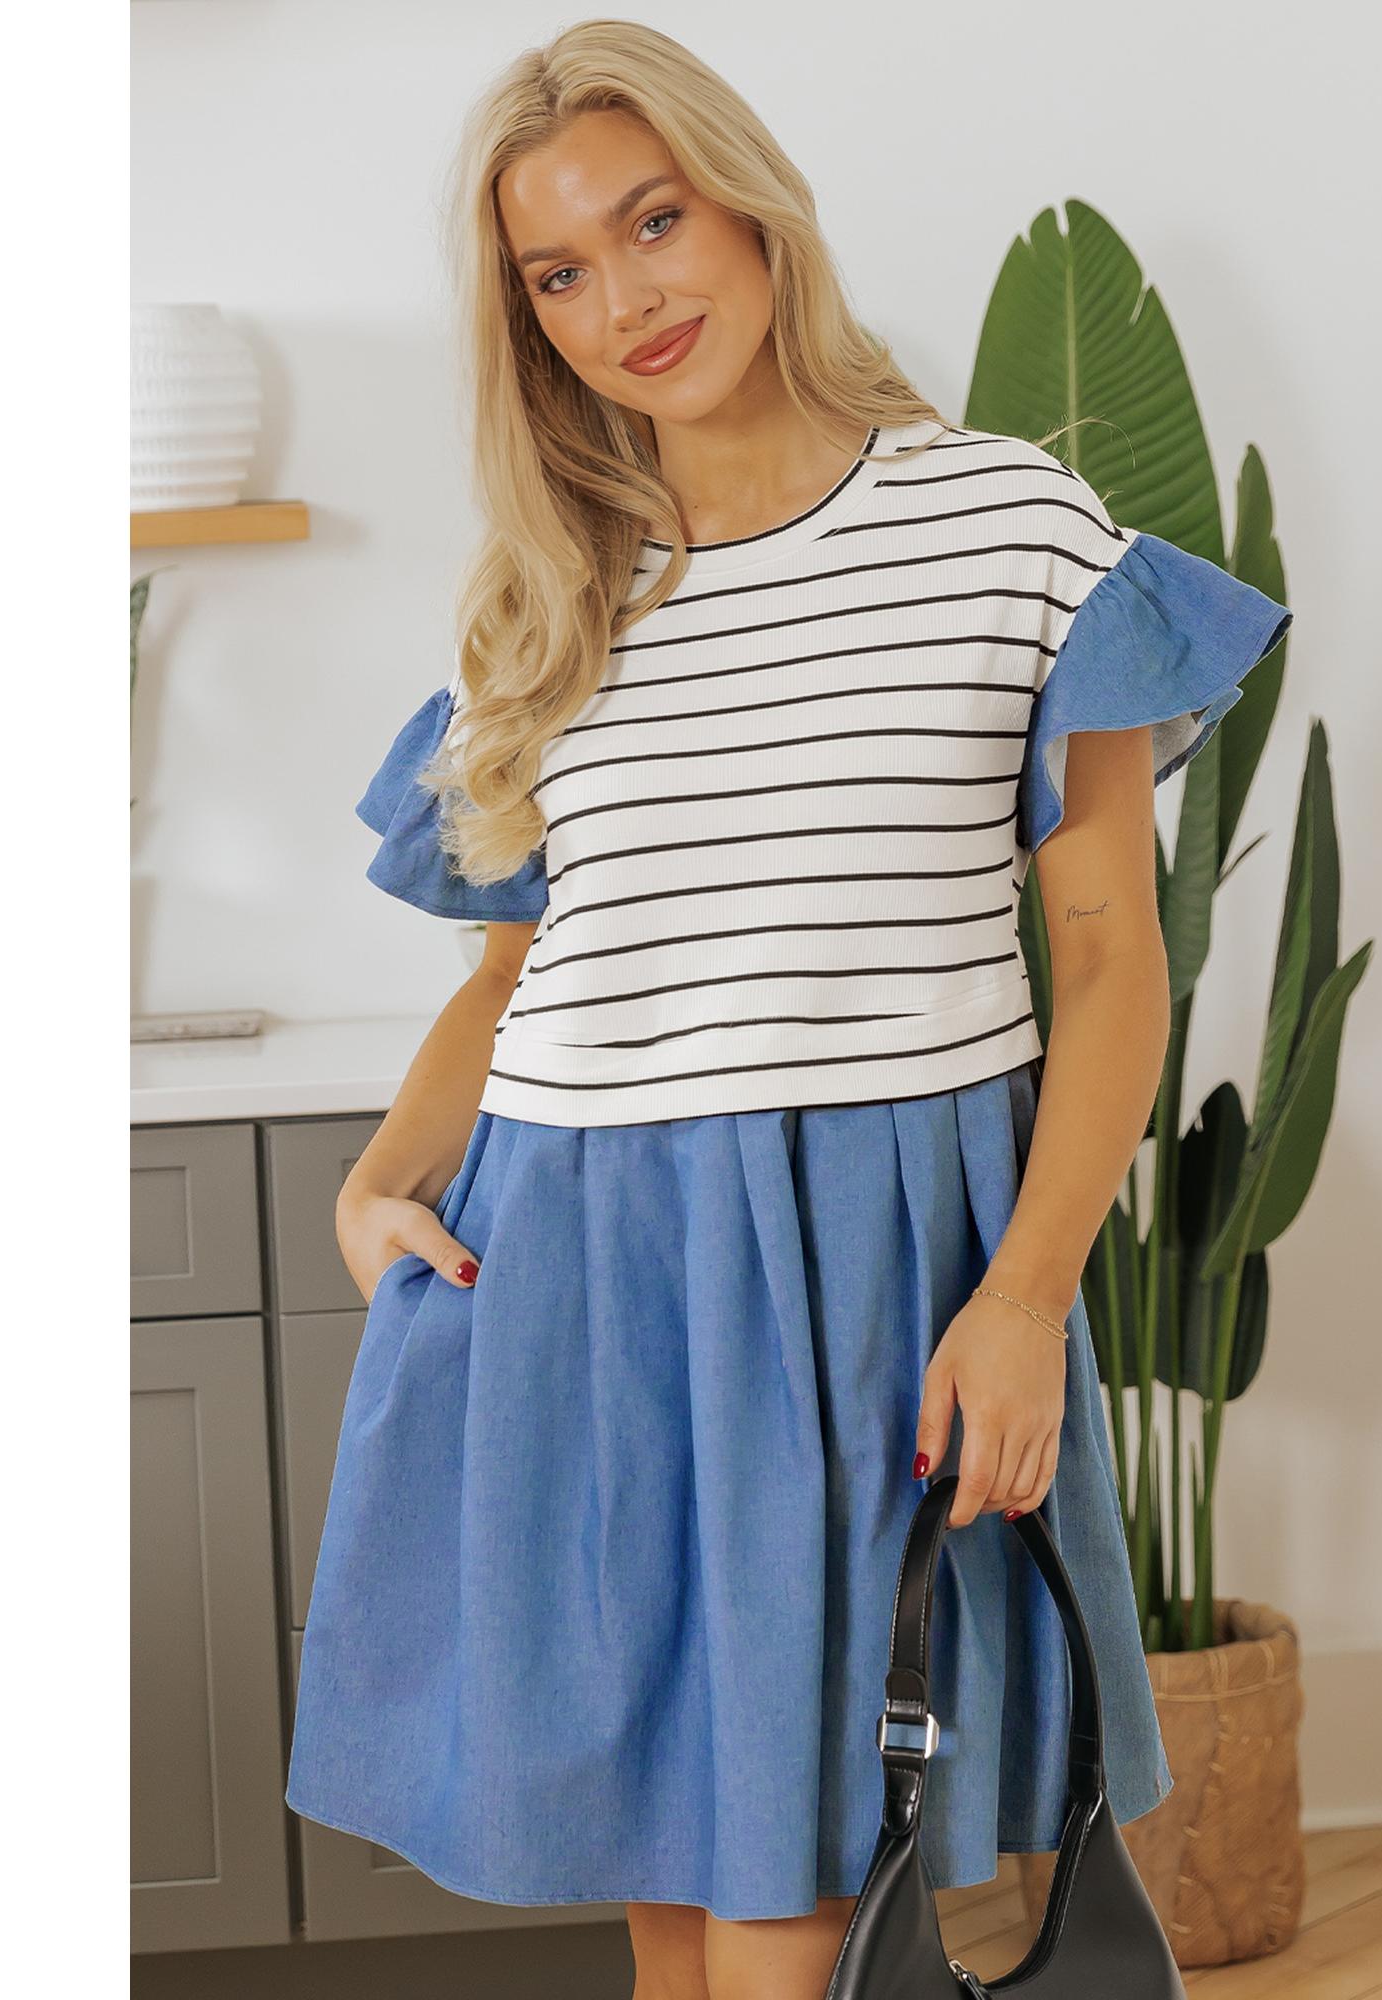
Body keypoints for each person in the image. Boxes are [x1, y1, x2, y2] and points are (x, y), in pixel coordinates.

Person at [285, 19, 1292, 2000]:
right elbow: (514, 972)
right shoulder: (552, 596)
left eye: (651, 222)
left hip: (867, 1265)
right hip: (575, 1263)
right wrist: (378, 1182)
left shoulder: (1006, 528)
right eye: (556, 273)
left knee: (789, 1900)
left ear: (754, 210)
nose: (621, 300)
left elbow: (1109, 963)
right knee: (682, 1904)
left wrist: (1025, 1297)